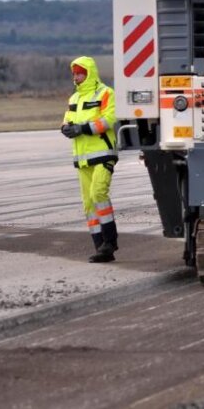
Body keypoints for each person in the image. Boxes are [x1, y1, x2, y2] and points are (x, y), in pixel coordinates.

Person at [61, 56, 119, 263]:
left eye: (80, 73)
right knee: (88, 204)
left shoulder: (105, 93)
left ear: (89, 73)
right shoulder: (74, 99)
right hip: (82, 158)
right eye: (74, 73)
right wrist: (66, 128)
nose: (76, 77)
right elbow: (67, 119)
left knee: (98, 193)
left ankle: (110, 240)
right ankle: (101, 247)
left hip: (103, 153)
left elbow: (109, 119)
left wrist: (82, 129)